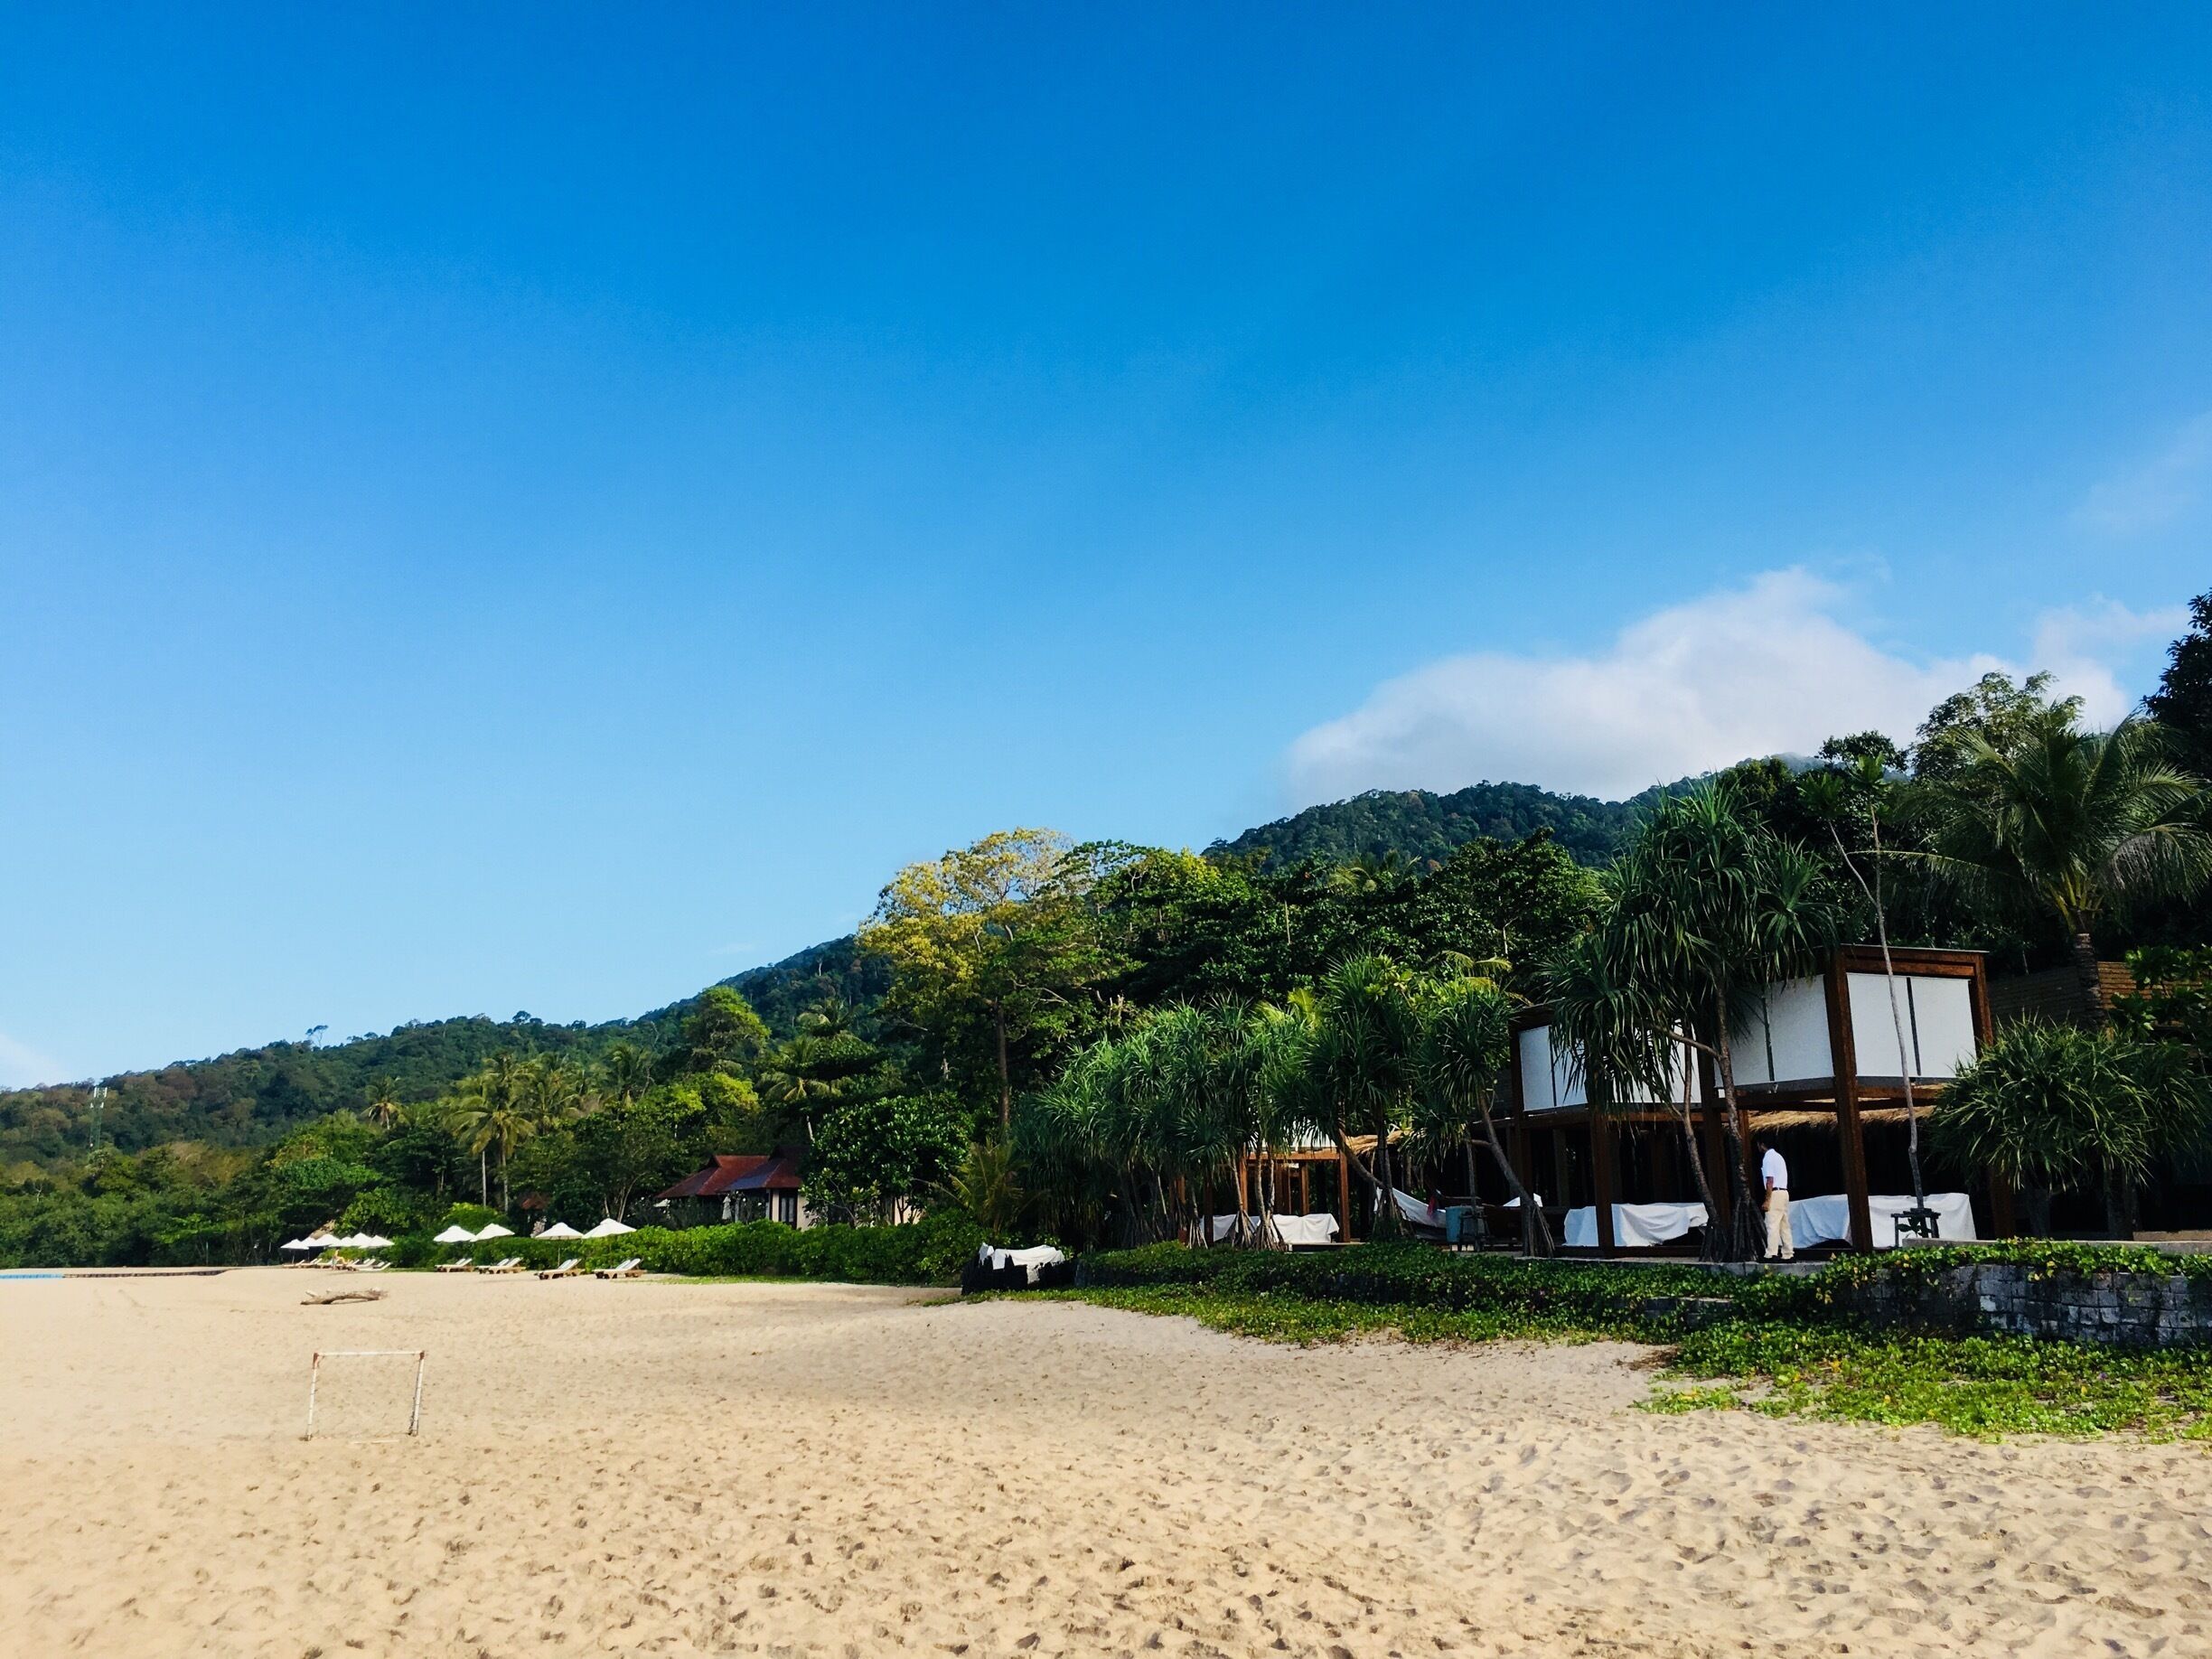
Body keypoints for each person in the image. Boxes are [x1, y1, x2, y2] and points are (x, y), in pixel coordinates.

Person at [1757, 1139, 1793, 1261]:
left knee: (1771, 1224)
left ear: (1762, 1145)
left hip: (1775, 1193)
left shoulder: (1768, 1158)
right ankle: (1788, 1253)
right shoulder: (1779, 1157)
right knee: (1784, 1224)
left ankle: (1771, 1253)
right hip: (1784, 1192)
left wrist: (1767, 1200)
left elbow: (1770, 1180)